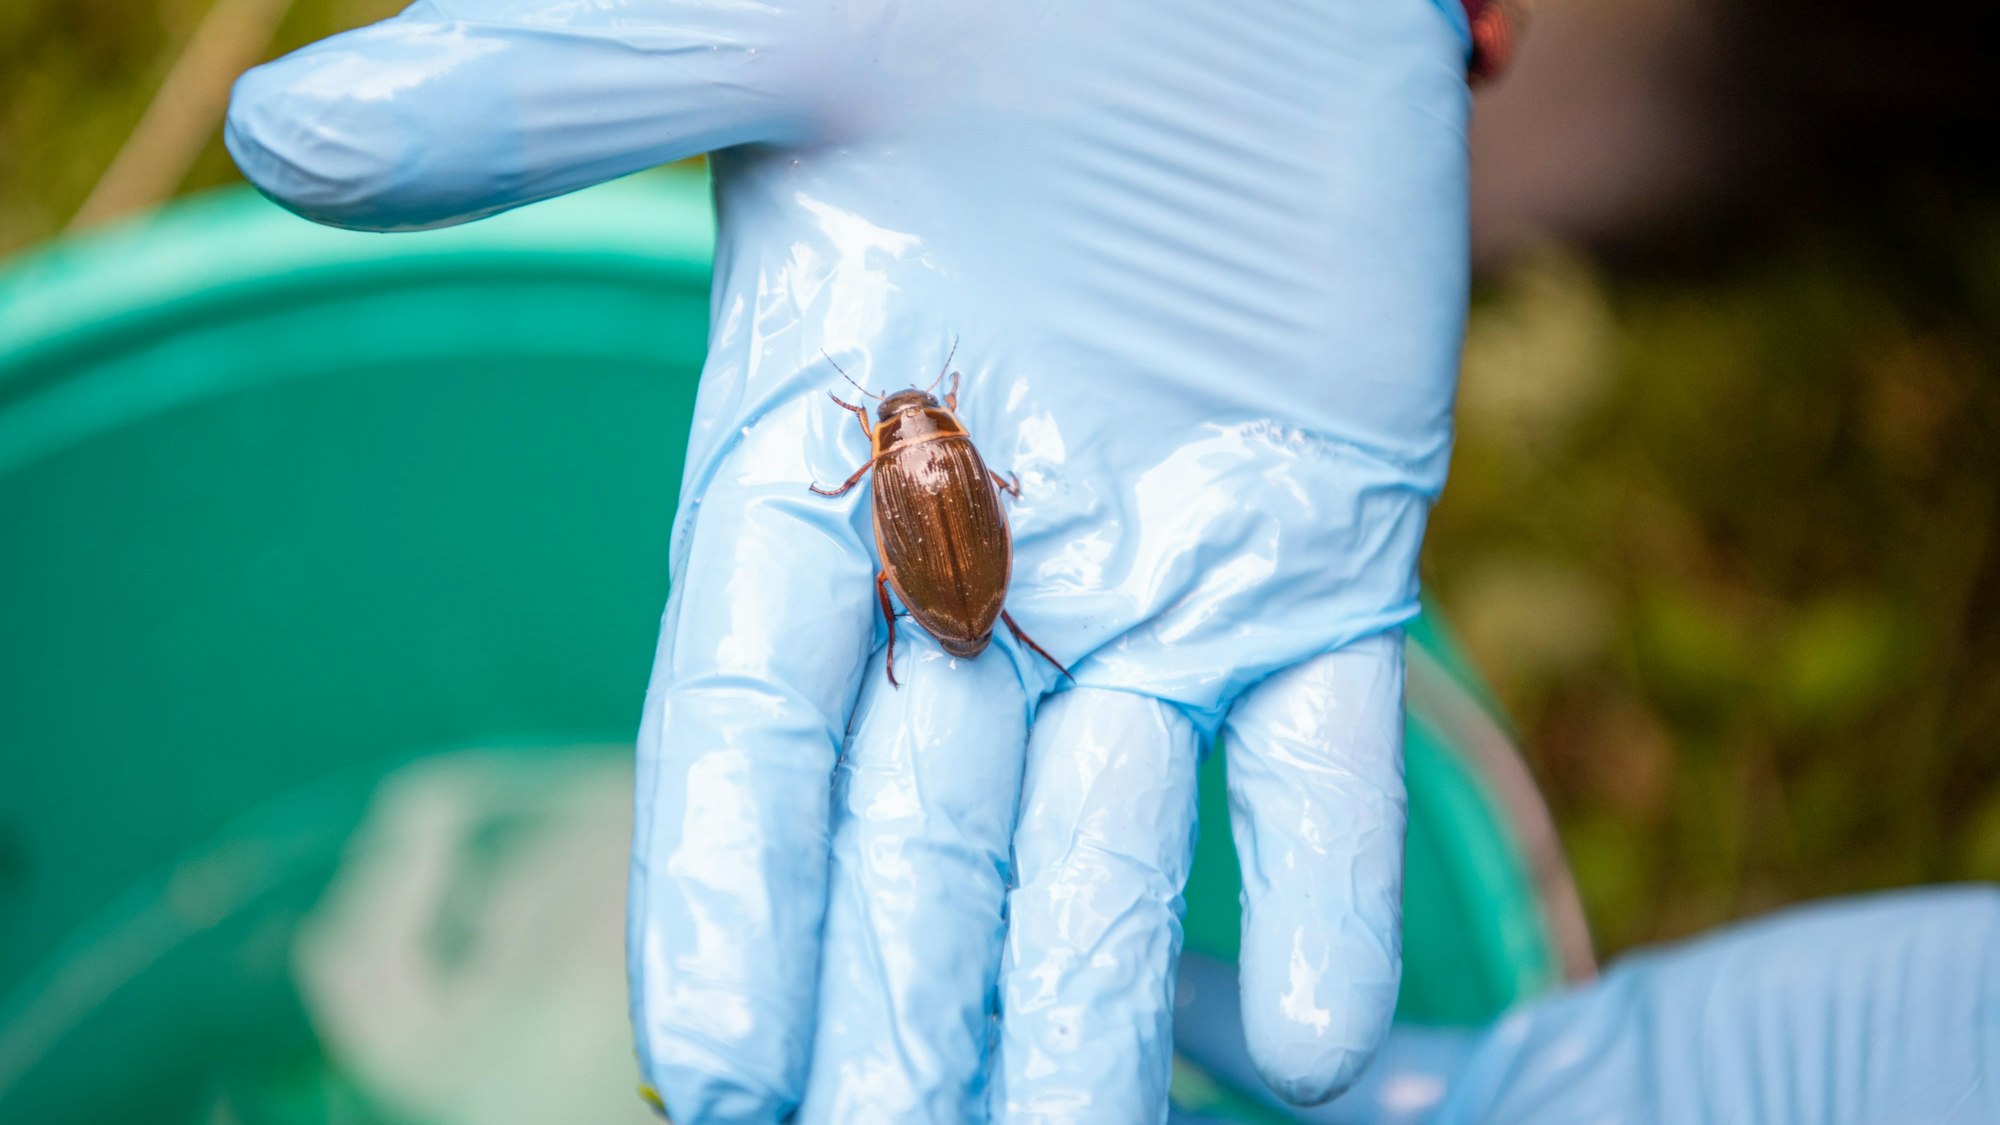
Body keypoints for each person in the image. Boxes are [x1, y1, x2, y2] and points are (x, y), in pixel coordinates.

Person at [225, 1, 1998, 1120]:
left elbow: (930, 506)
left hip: (965, 563)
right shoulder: (926, 454)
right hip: (991, 520)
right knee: (1625, 91)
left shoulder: (910, 456)